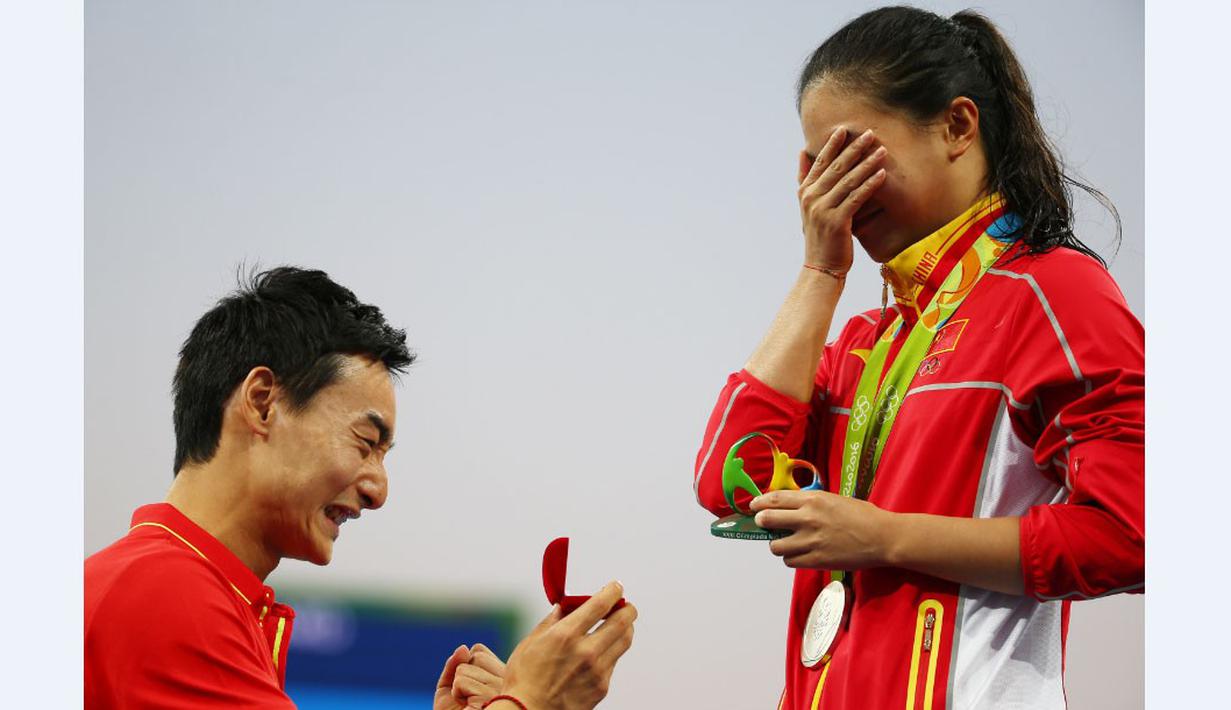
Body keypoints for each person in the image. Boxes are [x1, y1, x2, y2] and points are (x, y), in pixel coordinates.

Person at [692, 6, 1142, 709]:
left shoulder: (1055, 293)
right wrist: (819, 273)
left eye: (852, 154)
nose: (827, 190)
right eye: (815, 165)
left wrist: (887, 538)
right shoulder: (867, 336)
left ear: (957, 127)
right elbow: (733, 480)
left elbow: (1134, 534)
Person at [85, 266, 637, 709]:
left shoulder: (178, 589)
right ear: (261, 402)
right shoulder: (168, 596)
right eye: (366, 442)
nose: (378, 489)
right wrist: (532, 701)